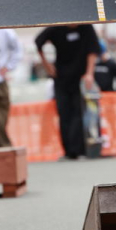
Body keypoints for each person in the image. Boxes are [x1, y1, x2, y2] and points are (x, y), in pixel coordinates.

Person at [35, 24, 100, 159]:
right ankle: (68, 152)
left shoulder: (86, 27)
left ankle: (80, 150)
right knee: (64, 114)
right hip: (61, 78)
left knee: (79, 113)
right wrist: (46, 64)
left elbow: (93, 50)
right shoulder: (56, 27)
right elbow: (38, 42)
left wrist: (90, 73)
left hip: (80, 79)